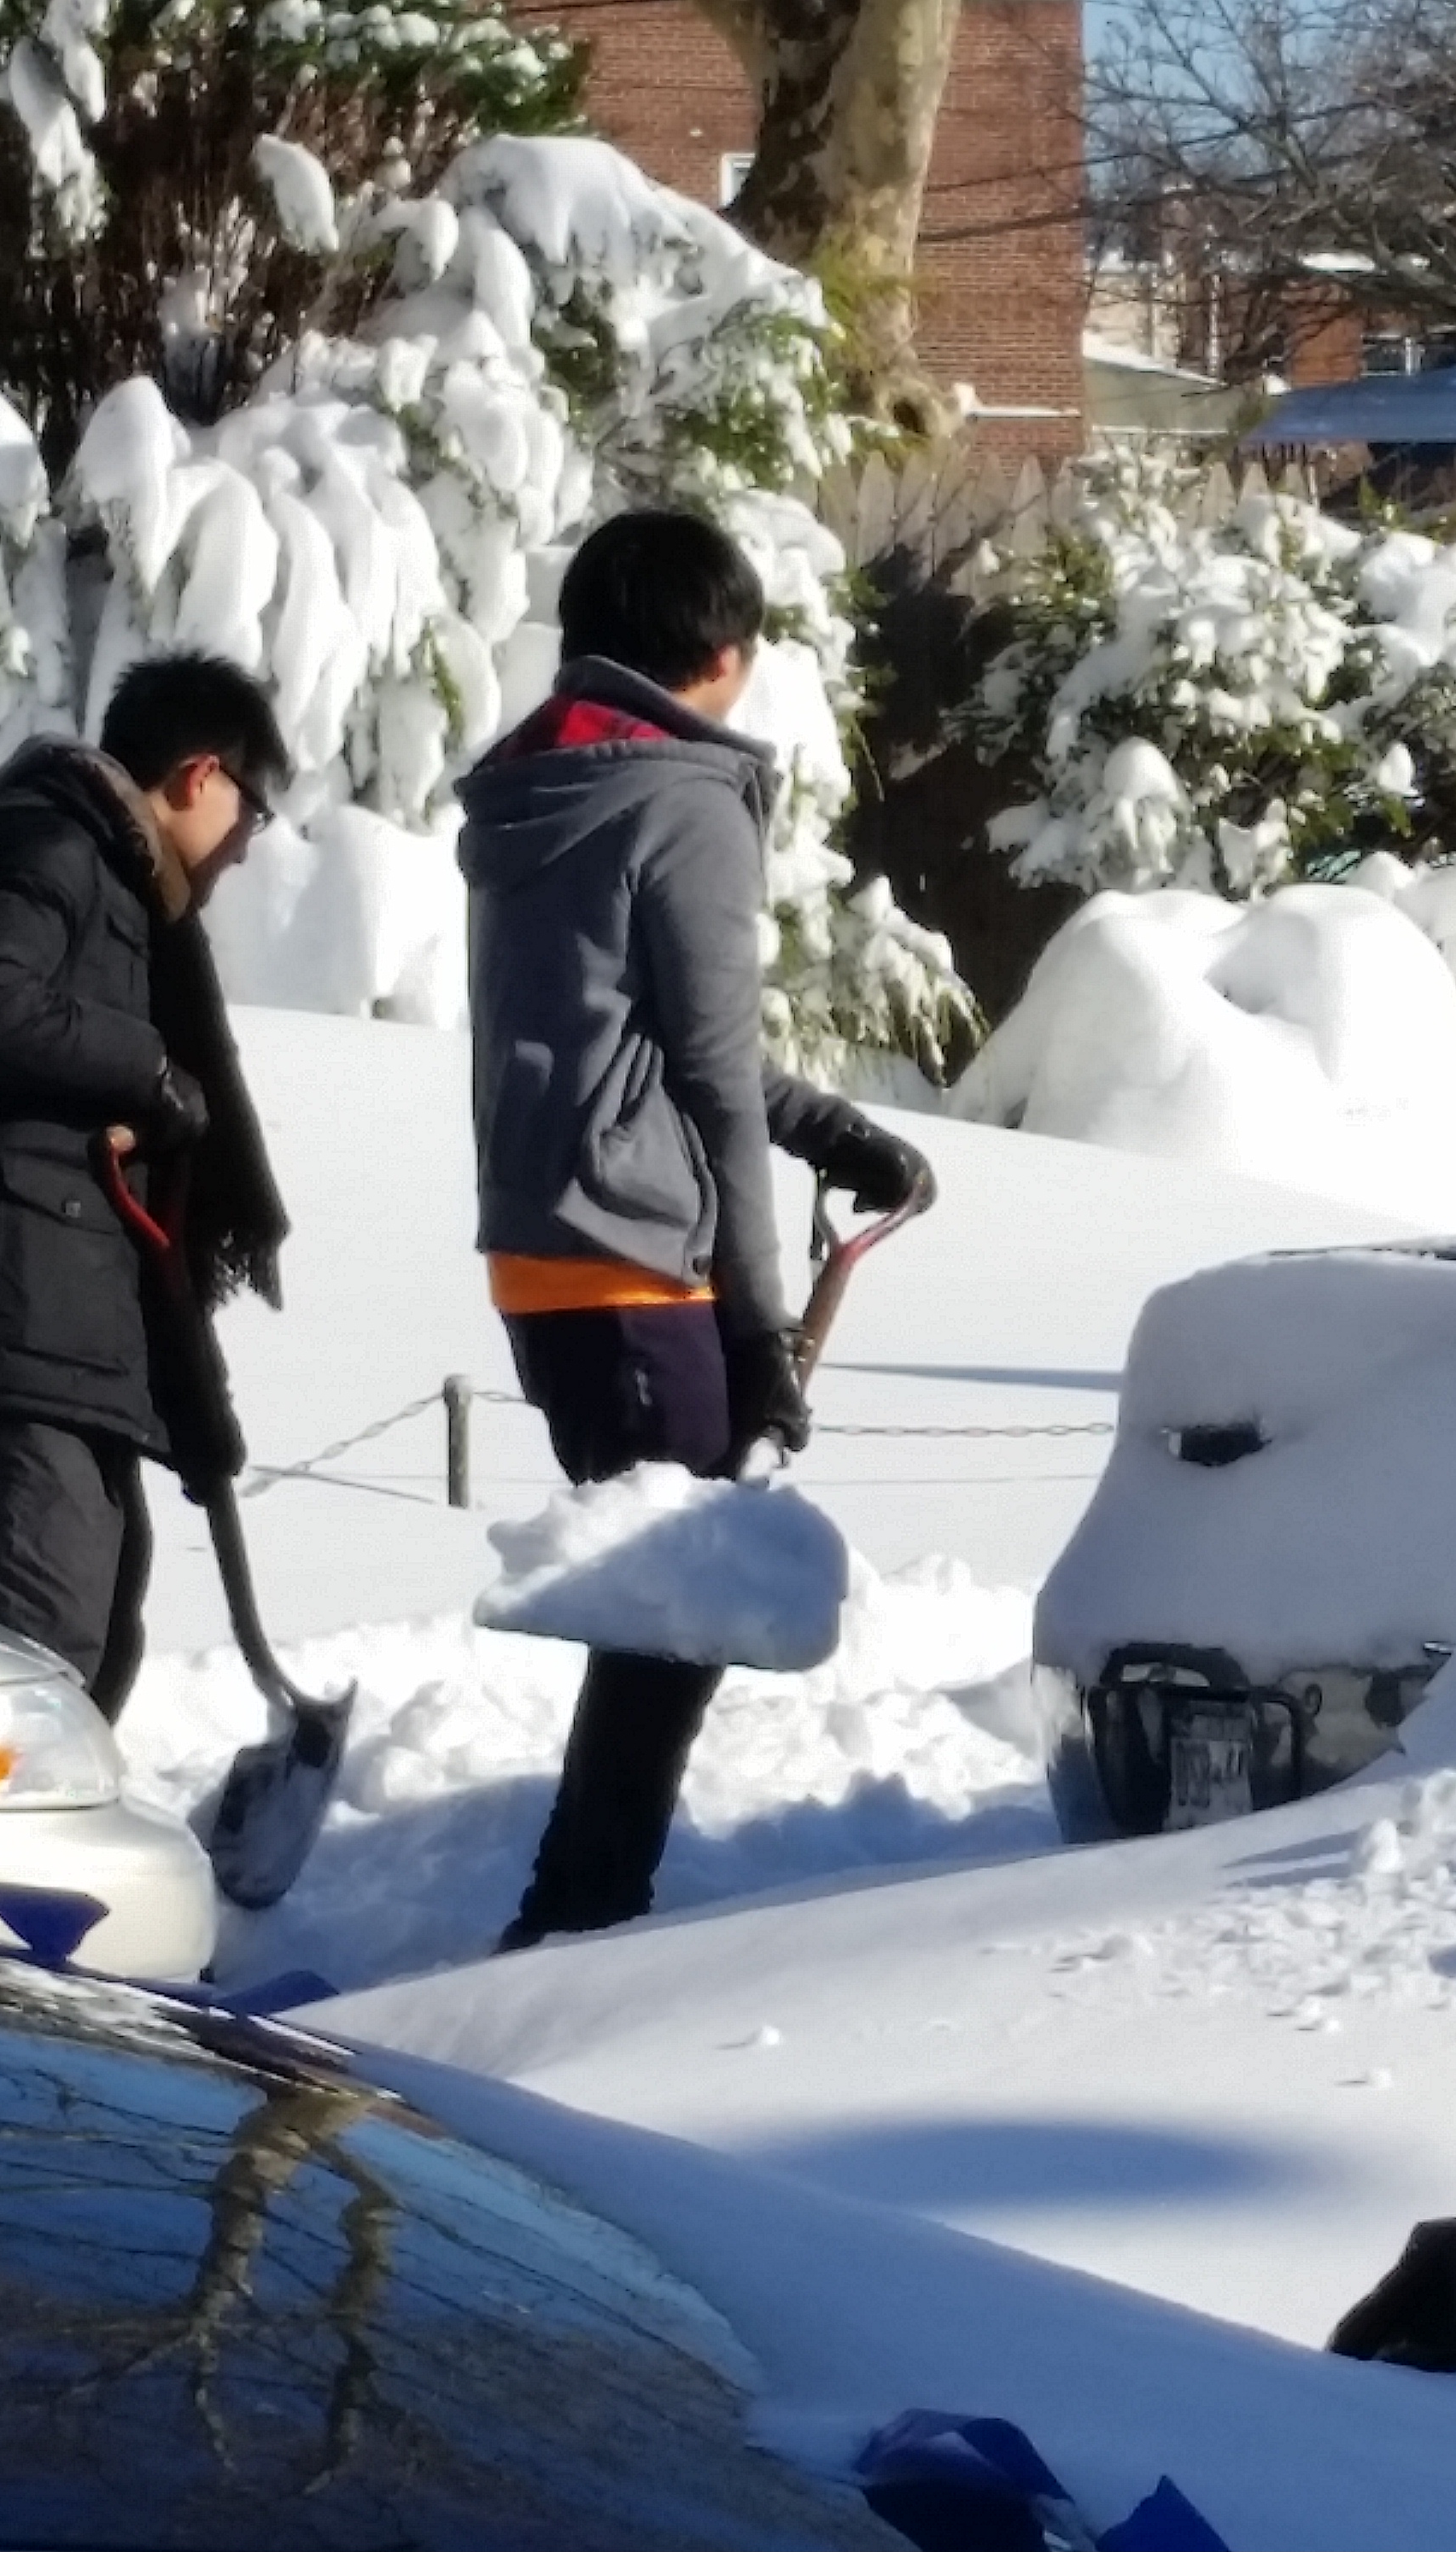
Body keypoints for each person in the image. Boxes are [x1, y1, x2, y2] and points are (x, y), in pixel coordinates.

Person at [461, 506, 934, 1955]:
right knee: (680, 1616)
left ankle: (582, 1915)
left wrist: (824, 1127)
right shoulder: (681, 798)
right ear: (721, 656)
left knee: (666, 1607)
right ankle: (574, 1933)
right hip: (638, 1251)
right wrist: (752, 1316)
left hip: (545, 1251)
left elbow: (648, 1040)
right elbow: (712, 1073)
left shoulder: (540, 789)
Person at [0, 655, 297, 1716]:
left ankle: (22, 1871)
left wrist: (195, 1410)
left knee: (98, 1639)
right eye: (255, 811)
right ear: (201, 775)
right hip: (1, 1324)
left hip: (64, 1335)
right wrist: (149, 1068)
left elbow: (141, 1214)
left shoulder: (121, 897)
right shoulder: (42, 842)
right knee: (44, 1650)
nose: (246, 847)